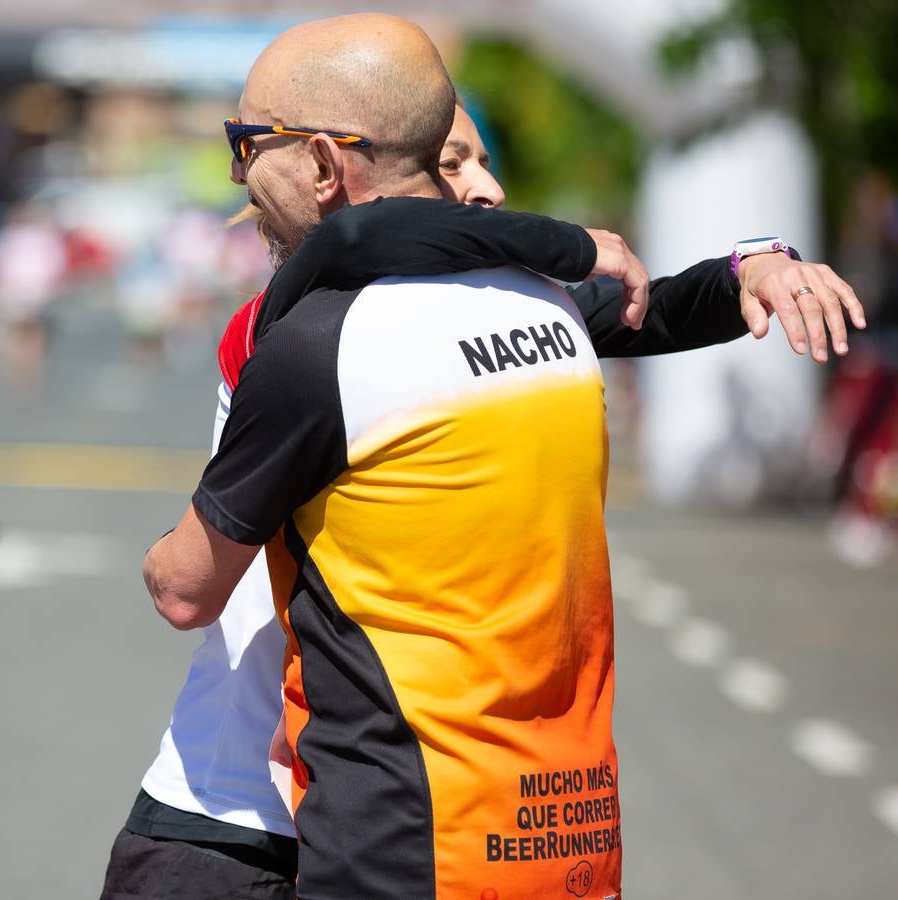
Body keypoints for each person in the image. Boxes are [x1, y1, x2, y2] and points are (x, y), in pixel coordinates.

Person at [133, 15, 865, 900]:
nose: (485, 191)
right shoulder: (294, 327)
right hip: (239, 793)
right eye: (454, 166)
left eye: (485, 162)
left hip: (365, 810)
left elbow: (647, 311)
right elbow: (364, 243)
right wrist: (558, 242)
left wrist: (754, 263)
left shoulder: (475, 316)